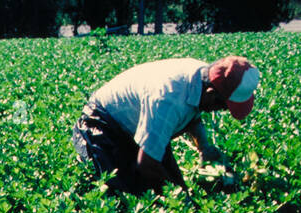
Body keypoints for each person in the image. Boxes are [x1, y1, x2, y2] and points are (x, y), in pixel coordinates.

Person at [72, 55, 261, 195]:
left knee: (170, 187)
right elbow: (147, 163)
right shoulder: (168, 101)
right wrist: (180, 195)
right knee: (124, 197)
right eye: (222, 106)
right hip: (101, 125)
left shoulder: (203, 76)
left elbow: (194, 112)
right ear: (211, 93)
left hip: (137, 124)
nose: (221, 111)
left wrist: (204, 147)